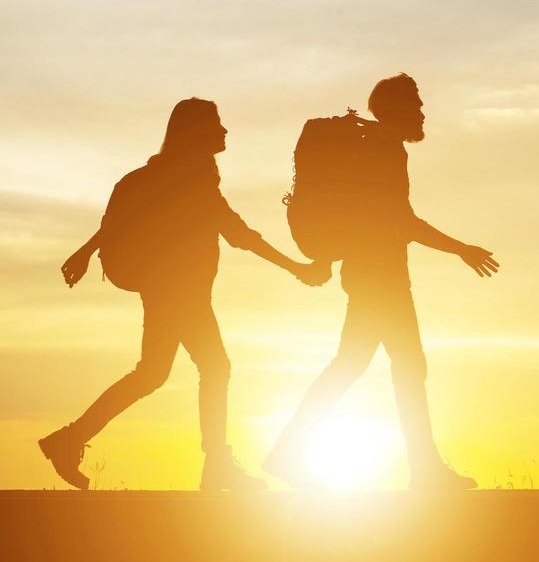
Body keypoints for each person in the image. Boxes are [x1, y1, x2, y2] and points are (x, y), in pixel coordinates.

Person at [38, 98, 329, 491]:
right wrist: (297, 268)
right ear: (195, 132)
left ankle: (71, 440)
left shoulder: (175, 177)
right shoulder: (190, 182)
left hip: (176, 289)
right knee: (208, 367)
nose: (225, 131)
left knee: (157, 373)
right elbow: (239, 235)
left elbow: (117, 219)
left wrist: (86, 251)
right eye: (217, 124)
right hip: (179, 291)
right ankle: (215, 466)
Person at [265, 74, 498, 491]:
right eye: (416, 105)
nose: (423, 113)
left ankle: (289, 452)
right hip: (379, 277)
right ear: (395, 110)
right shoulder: (385, 151)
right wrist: (461, 248)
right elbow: (401, 220)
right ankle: (423, 470)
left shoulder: (376, 148)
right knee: (400, 366)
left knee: (362, 365)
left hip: (371, 273)